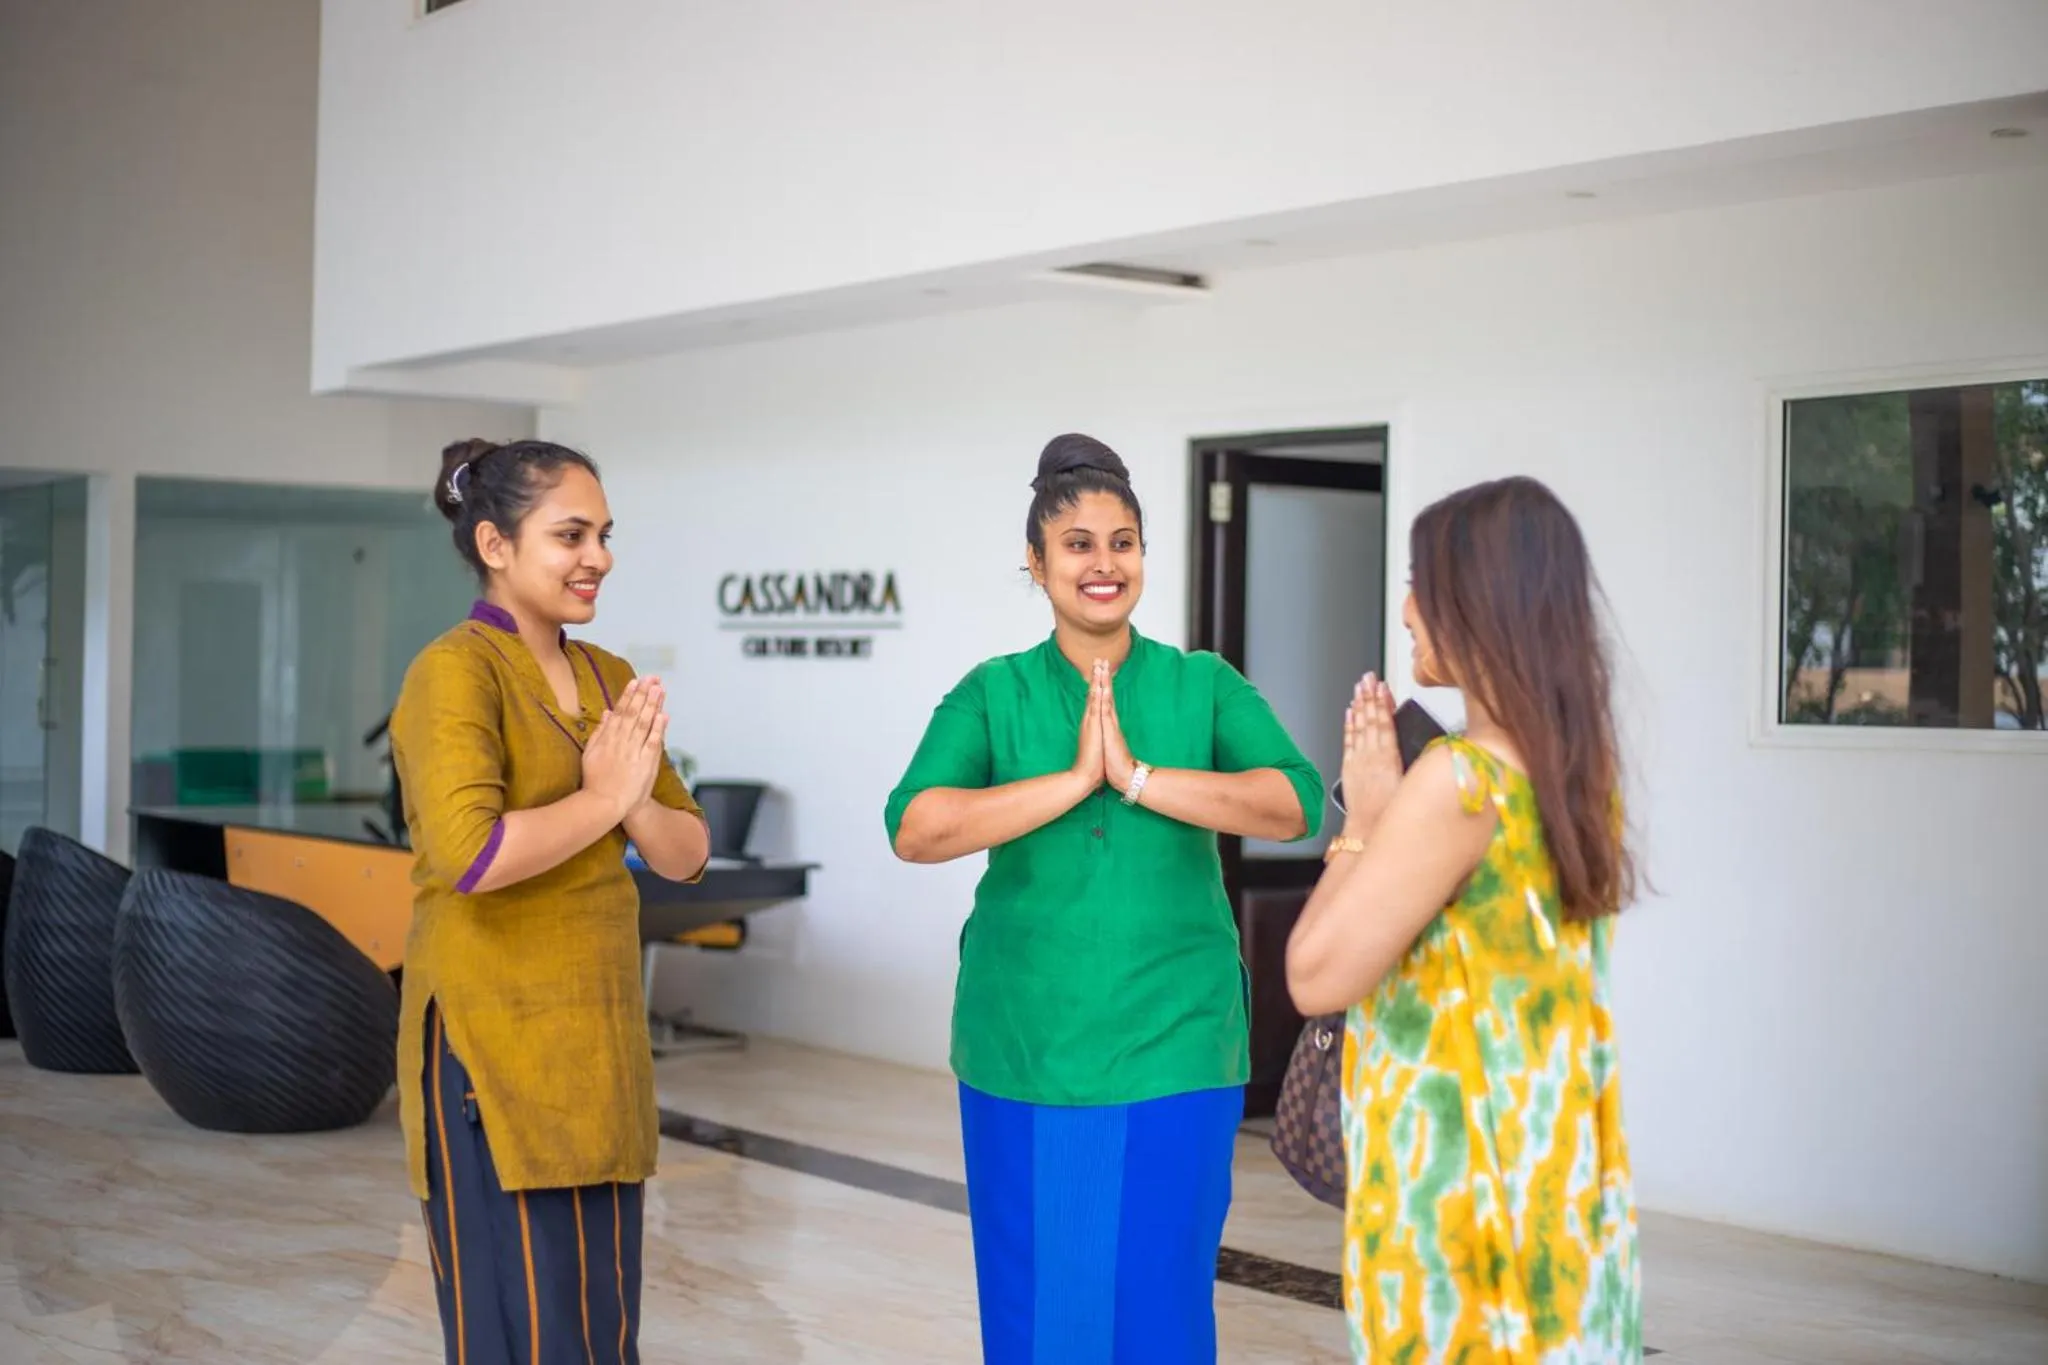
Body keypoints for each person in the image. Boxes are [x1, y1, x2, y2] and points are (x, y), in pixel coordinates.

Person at [885, 434, 1325, 1363]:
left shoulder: (1201, 684)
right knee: (1038, 1303)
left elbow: (1294, 800)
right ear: (1036, 564)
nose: (1104, 563)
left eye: (1123, 542)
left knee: (1159, 1300)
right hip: (1023, 1047)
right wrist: (1074, 779)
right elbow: (916, 826)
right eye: (1078, 544)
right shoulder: (992, 693)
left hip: (1178, 1041)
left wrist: (1136, 777)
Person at [1285, 476, 1642, 1363]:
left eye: (1423, 581)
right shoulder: (1574, 777)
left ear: (1480, 602)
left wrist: (1365, 819)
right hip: (1554, 1197)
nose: (1406, 607)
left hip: (1459, 1217)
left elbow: (1316, 973)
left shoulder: (1458, 781)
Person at [390, 437, 711, 1365]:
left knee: (600, 1329)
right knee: (518, 1326)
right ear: (495, 544)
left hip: (598, 1049)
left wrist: (634, 800)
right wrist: (606, 799)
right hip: (491, 1045)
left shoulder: (609, 674)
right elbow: (474, 853)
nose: (598, 556)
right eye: (571, 534)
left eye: (604, 534)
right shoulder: (453, 672)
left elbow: (687, 852)